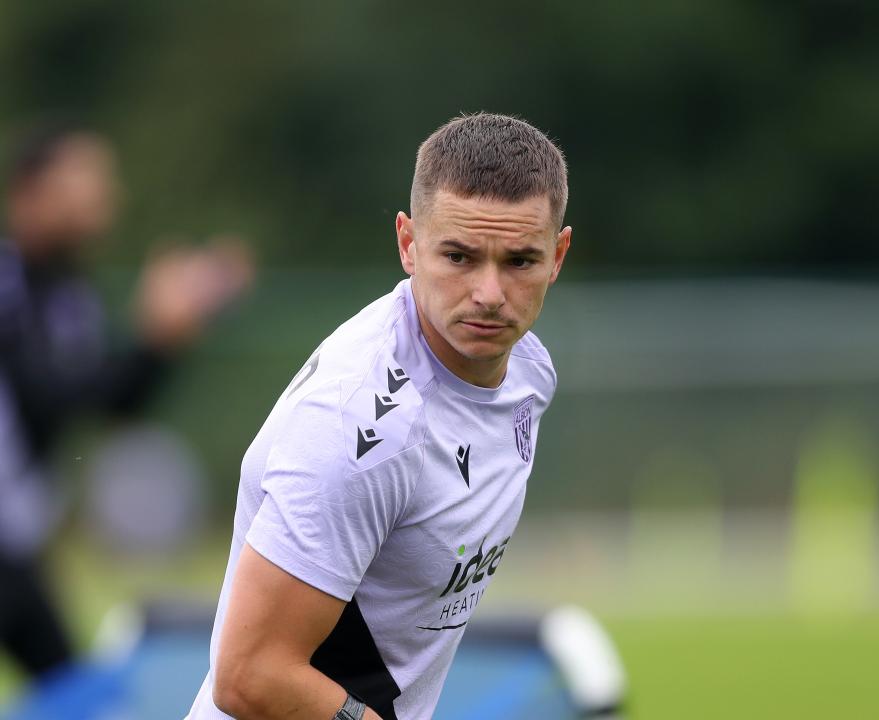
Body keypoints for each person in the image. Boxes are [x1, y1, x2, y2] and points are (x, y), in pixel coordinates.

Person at [187, 112, 572, 720]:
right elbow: (248, 676)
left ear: (558, 254)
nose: (490, 294)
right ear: (407, 245)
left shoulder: (527, 366)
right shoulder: (361, 431)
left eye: (520, 261)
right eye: (459, 256)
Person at [0, 125, 253, 679]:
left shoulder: (71, 296)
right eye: (84, 179)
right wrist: (151, 339)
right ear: (30, 191)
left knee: (78, 695)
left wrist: (166, 340)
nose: (103, 195)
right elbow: (44, 397)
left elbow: (112, 405)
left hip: (15, 549)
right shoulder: (9, 283)